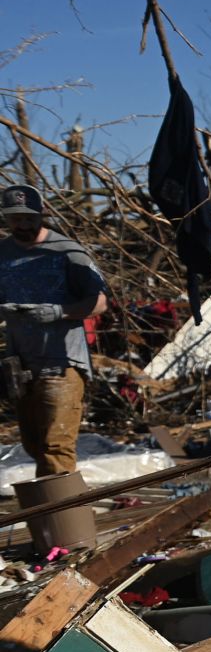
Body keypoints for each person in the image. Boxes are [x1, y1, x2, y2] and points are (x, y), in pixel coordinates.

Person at [0, 183, 107, 478]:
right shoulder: (3, 254)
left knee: (55, 449)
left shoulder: (67, 252)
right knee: (34, 445)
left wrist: (60, 311)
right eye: (15, 218)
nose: (22, 225)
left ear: (41, 214)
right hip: (21, 366)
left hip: (62, 363)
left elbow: (99, 302)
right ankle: (52, 514)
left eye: (28, 218)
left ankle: (59, 519)